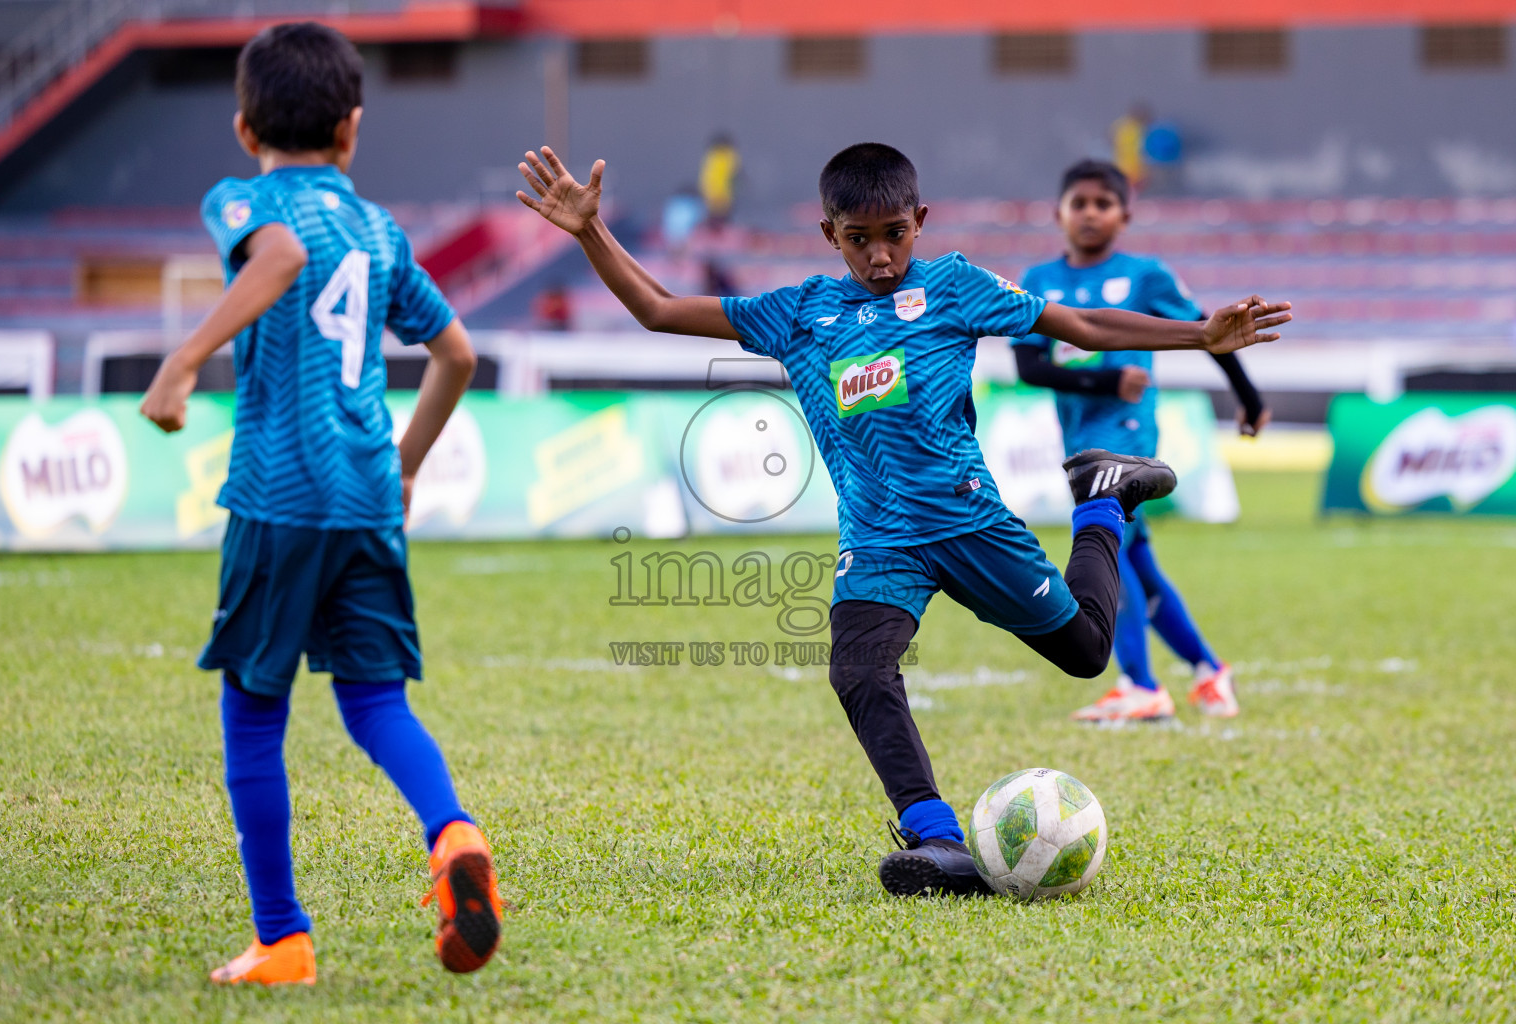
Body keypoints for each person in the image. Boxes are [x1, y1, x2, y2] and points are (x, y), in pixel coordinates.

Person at [514, 141, 1289, 897]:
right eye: (858, 240)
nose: (879, 256)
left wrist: (1198, 336)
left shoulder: (954, 288)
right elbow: (656, 308)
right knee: (857, 671)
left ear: (920, 221)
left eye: (894, 235)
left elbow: (1077, 327)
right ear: (829, 235)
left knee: (1087, 653)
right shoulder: (799, 313)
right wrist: (590, 230)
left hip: (971, 524)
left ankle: (1103, 500)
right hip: (879, 543)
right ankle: (937, 838)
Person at [139, 23, 501, 984]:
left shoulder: (243, 199)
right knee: (373, 699)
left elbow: (281, 259)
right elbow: (458, 353)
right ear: (352, 130)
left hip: (280, 493)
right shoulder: (380, 230)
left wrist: (180, 360)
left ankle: (284, 939)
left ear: (243, 124)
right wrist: (409, 466)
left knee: (255, 715)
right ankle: (453, 832)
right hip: (367, 495)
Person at [1013, 159, 1270, 723]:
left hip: (1126, 430)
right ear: (1059, 212)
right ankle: (1207, 667)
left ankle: (1139, 683)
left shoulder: (1146, 274)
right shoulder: (1037, 281)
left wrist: (1250, 399)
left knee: (1108, 544)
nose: (1089, 213)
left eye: (1102, 204)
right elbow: (1029, 367)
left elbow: (1213, 333)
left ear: (1124, 215)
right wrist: (1106, 378)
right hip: (1079, 431)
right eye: (1078, 203)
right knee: (1137, 558)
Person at [699, 134, 741, 223]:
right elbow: (734, 178)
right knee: (722, 222)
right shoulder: (729, 157)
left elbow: (706, 179)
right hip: (723, 198)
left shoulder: (711, 157)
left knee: (717, 222)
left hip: (713, 197)